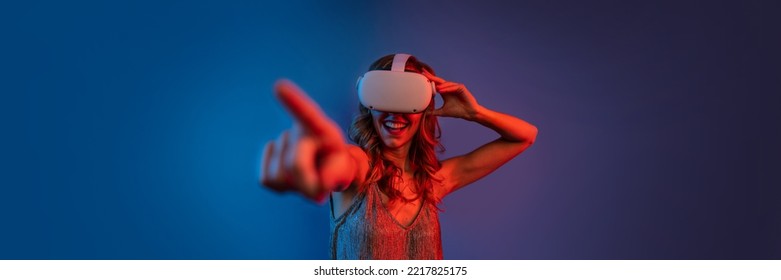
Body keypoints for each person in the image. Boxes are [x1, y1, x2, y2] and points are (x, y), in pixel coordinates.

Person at [260, 54, 538, 259]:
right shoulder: (358, 166)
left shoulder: (435, 181)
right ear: (368, 104)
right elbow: (336, 166)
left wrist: (474, 113)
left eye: (408, 100)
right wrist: (317, 164)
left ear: (425, 108)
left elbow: (525, 135)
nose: (396, 113)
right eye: (384, 97)